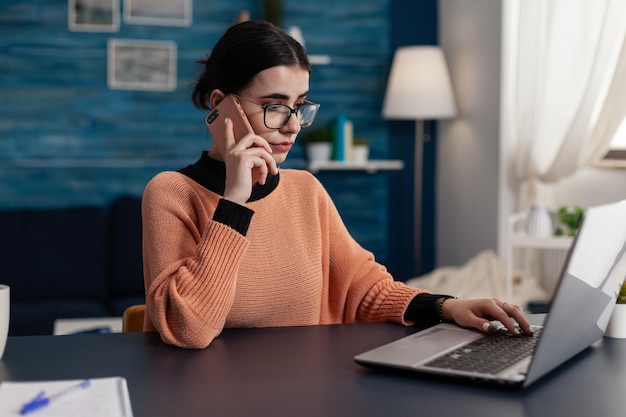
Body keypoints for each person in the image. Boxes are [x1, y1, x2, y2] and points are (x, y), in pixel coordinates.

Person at [141, 20, 532, 349]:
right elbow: (188, 327)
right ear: (221, 105)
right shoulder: (171, 193)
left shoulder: (305, 191)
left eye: (299, 106)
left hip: (307, 390)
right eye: (275, 107)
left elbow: (365, 289)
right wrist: (235, 202)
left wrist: (447, 307)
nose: (293, 125)